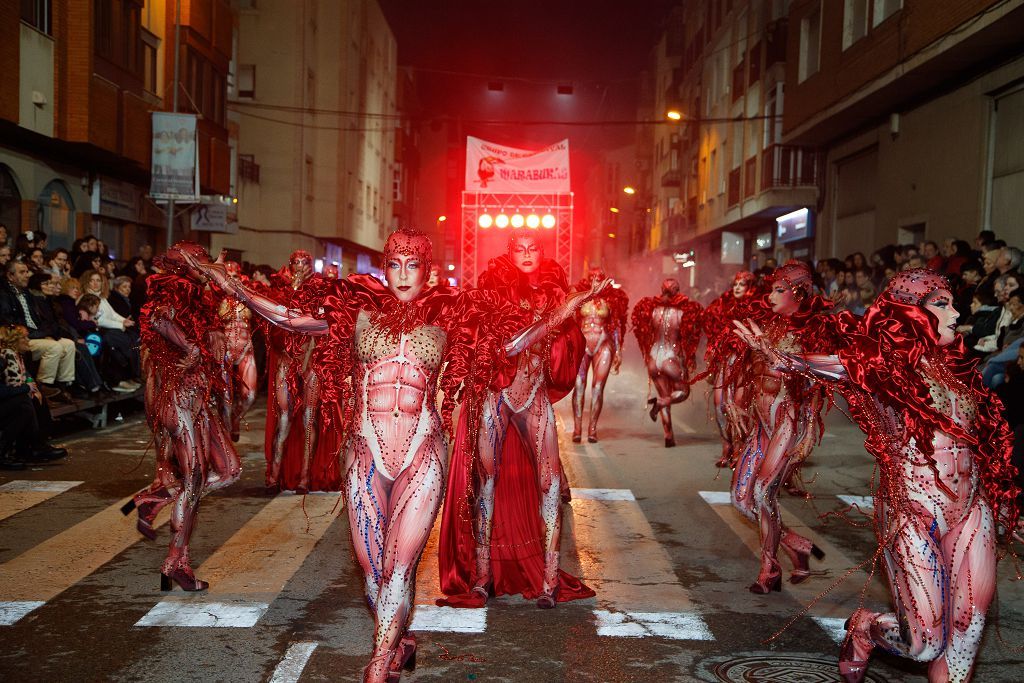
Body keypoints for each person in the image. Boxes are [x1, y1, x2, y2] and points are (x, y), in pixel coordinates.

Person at [185, 229, 541, 682]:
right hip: (366, 455)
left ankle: (376, 666)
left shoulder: (449, 314)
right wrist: (231, 285)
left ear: (427, 270)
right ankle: (399, 640)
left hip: (422, 454)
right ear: (384, 266)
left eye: (413, 265)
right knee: (374, 577)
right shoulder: (356, 309)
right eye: (394, 264)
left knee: (398, 568)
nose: (403, 275)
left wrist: (564, 309)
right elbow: (290, 319)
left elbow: (506, 346)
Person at [735, 269, 1021, 683]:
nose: (957, 314)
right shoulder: (881, 367)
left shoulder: (956, 368)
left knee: (968, 628)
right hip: (913, 509)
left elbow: (988, 445)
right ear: (911, 313)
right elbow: (839, 367)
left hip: (970, 508)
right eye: (943, 304)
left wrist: (1006, 498)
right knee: (924, 644)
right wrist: (789, 360)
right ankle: (866, 628)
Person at [439, 232, 601, 610]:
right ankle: (481, 578)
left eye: (533, 249)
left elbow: (569, 342)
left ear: (542, 253)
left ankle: (548, 580)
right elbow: (484, 338)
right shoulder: (492, 289)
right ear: (509, 253)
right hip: (498, 393)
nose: (526, 254)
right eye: (519, 248)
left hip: (534, 394)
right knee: (487, 482)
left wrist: (572, 311)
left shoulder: (555, 290)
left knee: (550, 482)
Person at [123, 243, 242, 593]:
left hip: (198, 402)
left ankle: (156, 499)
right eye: (202, 263)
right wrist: (191, 347)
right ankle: (176, 563)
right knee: (193, 482)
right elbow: (159, 320)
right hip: (179, 402)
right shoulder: (173, 289)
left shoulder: (197, 296)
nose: (207, 268)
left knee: (230, 470)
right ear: (186, 266)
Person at [728, 261, 833, 592]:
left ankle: (769, 570)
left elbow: (815, 381)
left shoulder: (811, 332)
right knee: (741, 499)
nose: (770, 295)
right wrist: (736, 400)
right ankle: (796, 545)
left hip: (789, 422)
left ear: (798, 293)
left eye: (778, 290)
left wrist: (811, 430)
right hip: (762, 426)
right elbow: (753, 369)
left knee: (762, 492)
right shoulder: (769, 326)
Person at [631, 278, 703, 447]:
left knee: (664, 392)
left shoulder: (652, 309)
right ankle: (661, 403)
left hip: (654, 357)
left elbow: (643, 330)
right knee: (683, 392)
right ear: (677, 290)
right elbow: (689, 336)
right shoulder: (684, 311)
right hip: (671, 357)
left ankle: (668, 435)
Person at [702, 271, 760, 467]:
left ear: (750, 287)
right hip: (725, 361)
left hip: (746, 364)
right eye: (735, 283)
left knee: (738, 406)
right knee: (719, 405)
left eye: (742, 284)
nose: (736, 288)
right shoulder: (721, 305)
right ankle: (725, 445)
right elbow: (711, 329)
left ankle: (738, 448)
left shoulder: (758, 308)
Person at [0, 261, 76, 402]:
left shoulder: (26, 293)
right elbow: (10, 323)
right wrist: (42, 335)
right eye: (22, 272)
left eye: (27, 271)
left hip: (36, 334)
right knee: (54, 347)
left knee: (69, 344)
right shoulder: (3, 294)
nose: (27, 275)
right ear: (10, 276)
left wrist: (50, 333)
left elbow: (38, 320)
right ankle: (43, 385)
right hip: (20, 337)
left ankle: (63, 386)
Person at [570, 266, 628, 443]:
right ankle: (577, 428)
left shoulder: (612, 299)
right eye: (592, 276)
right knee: (579, 385)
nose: (595, 279)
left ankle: (592, 429)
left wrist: (618, 350)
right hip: (583, 344)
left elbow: (617, 325)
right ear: (587, 279)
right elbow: (571, 322)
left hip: (603, 344)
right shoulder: (579, 297)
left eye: (599, 277)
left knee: (597, 388)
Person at [0, 324, 68, 468]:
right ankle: (21, 450)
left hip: (8, 399)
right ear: (14, 340)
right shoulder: (4, 358)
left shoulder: (17, 356)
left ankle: (35, 446)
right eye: (24, 337)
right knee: (23, 403)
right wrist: (25, 388)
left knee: (36, 396)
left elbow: (26, 377)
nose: (28, 340)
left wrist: (31, 387)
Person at [80, 269, 140, 390]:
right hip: (96, 331)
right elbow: (99, 320)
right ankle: (118, 379)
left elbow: (112, 314)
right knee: (122, 340)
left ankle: (129, 375)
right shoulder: (88, 298)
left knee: (133, 337)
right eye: (92, 280)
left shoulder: (101, 297)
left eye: (98, 280)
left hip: (108, 329)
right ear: (87, 282)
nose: (96, 283)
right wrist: (120, 325)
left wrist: (124, 321)